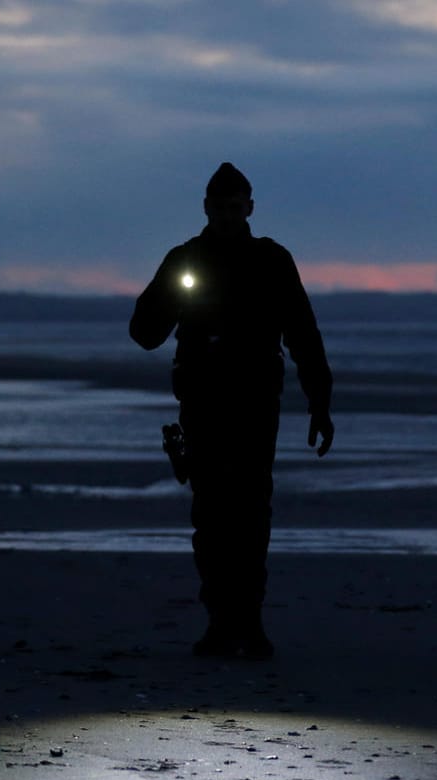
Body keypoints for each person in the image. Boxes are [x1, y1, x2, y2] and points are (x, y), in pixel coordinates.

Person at [129, 162, 335, 660]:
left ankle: (249, 620)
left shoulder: (271, 260)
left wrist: (320, 402)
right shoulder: (186, 258)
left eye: (234, 207)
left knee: (251, 512)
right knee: (212, 514)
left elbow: (303, 333)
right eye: (219, 207)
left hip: (256, 403)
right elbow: (144, 333)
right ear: (206, 208)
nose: (226, 215)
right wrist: (174, 293)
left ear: (249, 208)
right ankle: (221, 621)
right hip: (203, 402)